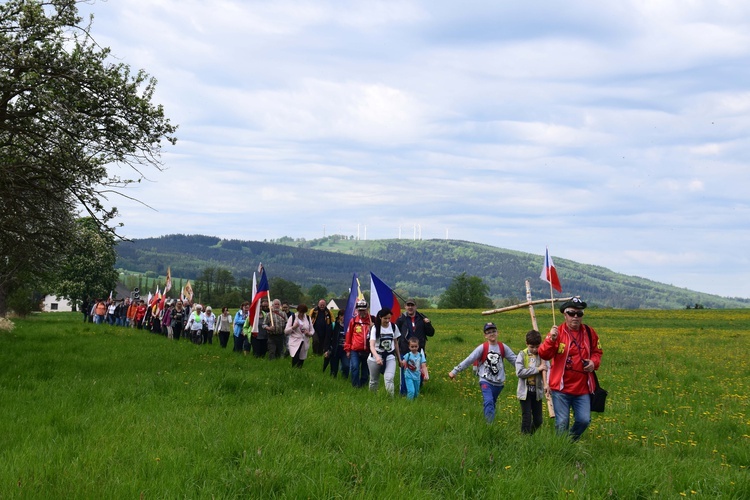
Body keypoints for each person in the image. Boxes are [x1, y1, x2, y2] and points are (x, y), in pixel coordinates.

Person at [538, 297, 602, 441]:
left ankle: (569, 442)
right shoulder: (557, 333)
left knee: (584, 420)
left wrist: (593, 362)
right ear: (564, 314)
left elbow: (597, 352)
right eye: (572, 313)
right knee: (562, 422)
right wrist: (551, 340)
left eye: (579, 314)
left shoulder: (590, 332)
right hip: (561, 388)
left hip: (582, 388)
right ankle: (562, 449)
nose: (575, 317)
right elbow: (544, 354)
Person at [448, 322, 517, 424]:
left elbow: (515, 360)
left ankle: (489, 421)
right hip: (485, 380)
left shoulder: (503, 347)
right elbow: (470, 359)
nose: (492, 334)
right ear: (485, 335)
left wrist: (527, 371)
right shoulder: (482, 347)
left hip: (498, 383)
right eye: (488, 332)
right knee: (488, 401)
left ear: (498, 332)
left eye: (493, 331)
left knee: (491, 403)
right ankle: (489, 426)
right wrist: (455, 371)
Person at [396, 298, 435, 395]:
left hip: (419, 352)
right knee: (405, 374)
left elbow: (431, 333)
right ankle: (404, 394)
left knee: (419, 374)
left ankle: (416, 392)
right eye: (408, 305)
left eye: (412, 305)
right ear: (405, 307)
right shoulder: (401, 319)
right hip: (405, 351)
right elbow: (395, 333)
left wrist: (428, 324)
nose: (410, 307)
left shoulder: (421, 318)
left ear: (415, 306)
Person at [515, 329, 550, 435]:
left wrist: (547, 383)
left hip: (537, 393)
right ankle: (524, 439)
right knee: (527, 418)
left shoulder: (543, 356)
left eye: (537, 346)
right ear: (526, 344)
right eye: (532, 347)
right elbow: (520, 372)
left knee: (538, 420)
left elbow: (547, 370)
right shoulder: (522, 354)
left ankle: (530, 435)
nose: (535, 349)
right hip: (525, 393)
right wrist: (537, 369)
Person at [367, 308, 402, 396]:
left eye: (389, 318)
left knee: (389, 378)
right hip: (375, 357)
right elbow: (371, 345)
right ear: (380, 317)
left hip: (390, 356)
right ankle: (372, 397)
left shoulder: (394, 327)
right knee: (374, 381)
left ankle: (390, 399)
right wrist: (377, 357)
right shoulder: (375, 328)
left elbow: (396, 343)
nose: (387, 320)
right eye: (385, 318)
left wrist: (399, 359)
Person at [344, 300, 372, 388]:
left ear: (367, 309)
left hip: (367, 350)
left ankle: (363, 385)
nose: (362, 312)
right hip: (355, 349)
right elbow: (348, 335)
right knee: (355, 367)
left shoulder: (371, 320)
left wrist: (372, 326)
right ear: (357, 310)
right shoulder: (353, 321)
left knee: (365, 370)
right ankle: (355, 386)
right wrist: (347, 349)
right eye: (360, 310)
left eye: (363, 310)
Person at [285, 303, 313, 368]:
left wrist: (308, 333)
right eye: (300, 312)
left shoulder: (308, 318)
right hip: (294, 340)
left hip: (304, 341)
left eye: (303, 312)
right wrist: (293, 327)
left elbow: (312, 330)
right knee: (295, 355)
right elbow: (286, 331)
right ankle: (293, 370)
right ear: (298, 311)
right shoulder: (293, 317)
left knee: (302, 357)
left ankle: (299, 371)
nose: (301, 314)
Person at [324, 310, 348, 378]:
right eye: (343, 316)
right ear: (339, 316)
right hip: (335, 350)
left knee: (346, 366)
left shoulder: (349, 326)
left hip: (345, 350)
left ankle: (344, 379)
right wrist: (326, 349)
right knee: (334, 368)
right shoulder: (334, 325)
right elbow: (328, 338)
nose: (344, 318)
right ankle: (333, 380)